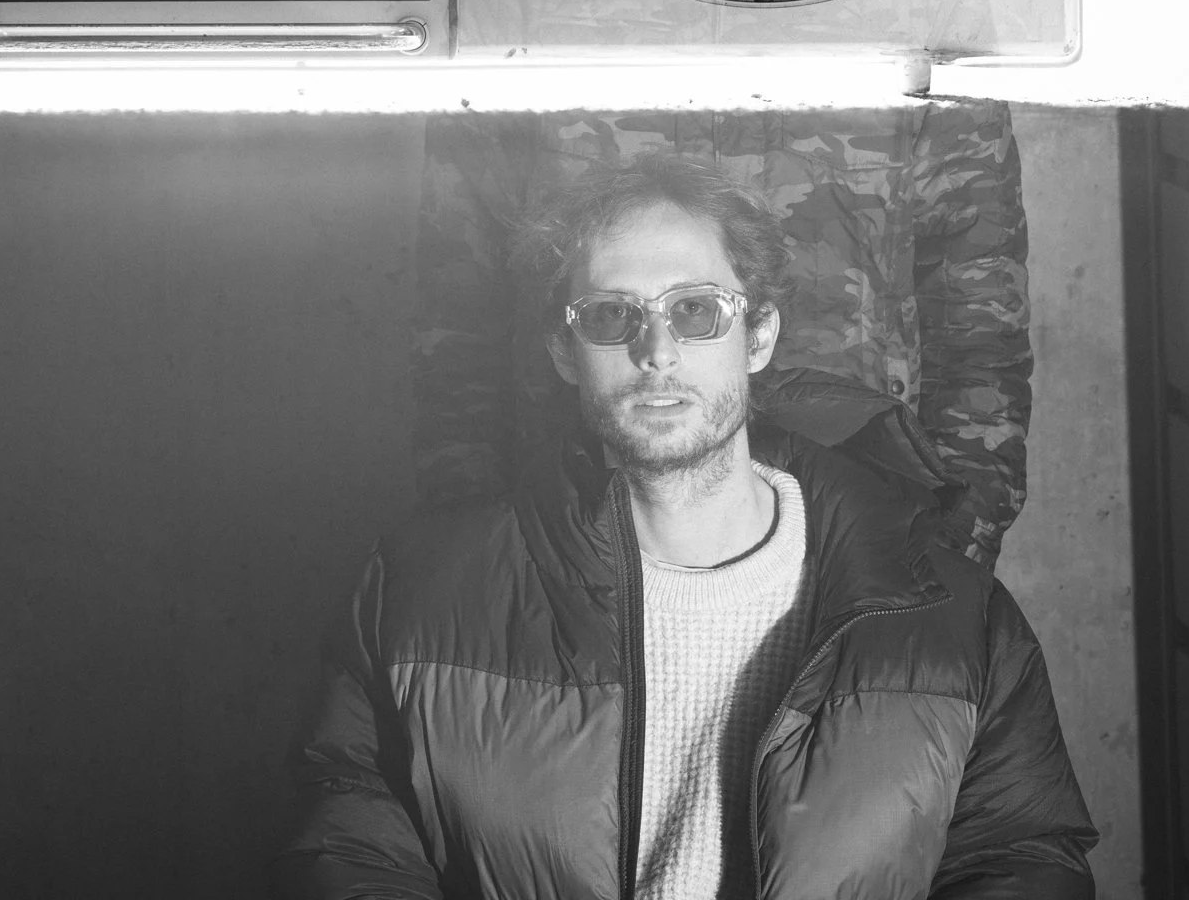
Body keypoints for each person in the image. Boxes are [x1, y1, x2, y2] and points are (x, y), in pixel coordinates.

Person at [276, 157, 1096, 899]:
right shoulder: (420, 596)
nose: (658, 351)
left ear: (760, 336)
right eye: (609, 316)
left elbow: (1019, 861)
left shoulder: (957, 623)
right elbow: (350, 845)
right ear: (565, 352)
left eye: (698, 311)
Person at [416, 103, 1033, 565]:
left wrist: (951, 548)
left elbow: (980, 327)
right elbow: (456, 324)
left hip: (861, 534)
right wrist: (483, 555)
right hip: (568, 538)